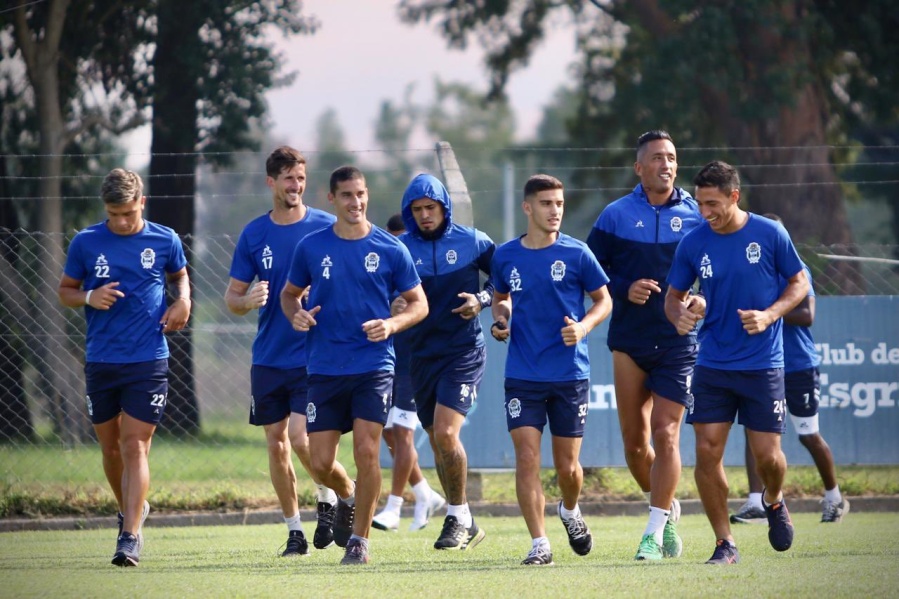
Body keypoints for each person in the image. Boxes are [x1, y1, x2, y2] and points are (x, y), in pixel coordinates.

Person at [280, 166, 428, 565]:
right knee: (322, 460)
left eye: (361, 194)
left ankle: (360, 541)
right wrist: (296, 314)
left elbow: (420, 303)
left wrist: (392, 324)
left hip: (373, 366)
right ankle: (346, 493)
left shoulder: (390, 248)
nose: (356, 202)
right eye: (347, 195)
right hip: (325, 367)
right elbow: (289, 295)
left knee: (367, 450)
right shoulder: (311, 247)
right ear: (332, 199)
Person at [665, 160, 810, 565]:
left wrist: (769, 315)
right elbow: (673, 297)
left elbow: (799, 282)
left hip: (763, 363)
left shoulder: (769, 233)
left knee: (767, 457)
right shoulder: (693, 243)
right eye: (699, 203)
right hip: (712, 364)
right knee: (707, 453)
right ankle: (724, 543)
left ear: (734, 196)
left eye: (712, 203)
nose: (704, 212)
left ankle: (774, 499)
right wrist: (680, 315)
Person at [58, 168, 191, 567]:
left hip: (148, 359)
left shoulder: (164, 239)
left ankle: (129, 536)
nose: (120, 222)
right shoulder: (86, 242)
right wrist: (88, 296)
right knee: (111, 448)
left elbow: (180, 277)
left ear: (142, 204)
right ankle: (131, 509)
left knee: (135, 445)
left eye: (128, 214)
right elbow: (65, 291)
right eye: (113, 214)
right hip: (101, 360)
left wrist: (182, 300)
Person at [586, 130, 704, 561]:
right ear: (639, 167)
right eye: (656, 158)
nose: (666, 165)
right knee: (636, 447)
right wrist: (622, 287)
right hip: (629, 342)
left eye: (671, 157)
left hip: (678, 340)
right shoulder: (615, 215)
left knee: (667, 434)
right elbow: (589, 271)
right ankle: (667, 508)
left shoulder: (697, 214)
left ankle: (653, 533)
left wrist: (700, 298)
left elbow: (711, 269)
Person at [490, 174, 612, 566]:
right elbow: (500, 297)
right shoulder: (506, 255)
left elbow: (603, 300)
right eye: (546, 204)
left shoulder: (578, 254)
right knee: (527, 457)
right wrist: (502, 318)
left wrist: (583, 326)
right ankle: (539, 543)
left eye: (559, 203)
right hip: (523, 374)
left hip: (569, 375)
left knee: (568, 468)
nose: (555, 210)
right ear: (528, 208)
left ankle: (570, 510)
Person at [224, 146, 338, 556]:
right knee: (276, 442)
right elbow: (232, 299)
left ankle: (327, 495)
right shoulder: (255, 234)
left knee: (300, 437)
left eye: (301, 179)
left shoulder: (327, 226)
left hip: (315, 355)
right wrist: (248, 298)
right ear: (271, 182)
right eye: (288, 179)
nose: (296, 186)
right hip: (269, 355)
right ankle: (294, 531)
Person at [397, 173, 495, 551]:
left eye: (431, 208)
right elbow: (385, 289)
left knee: (446, 433)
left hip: (464, 352)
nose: (425, 215)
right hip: (420, 356)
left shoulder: (473, 241)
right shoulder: (400, 248)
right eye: (417, 209)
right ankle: (466, 520)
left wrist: (483, 301)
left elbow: (504, 278)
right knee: (439, 444)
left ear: (444, 208)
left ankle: (456, 517)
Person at [730, 213, 848, 525]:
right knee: (753, 432)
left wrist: (768, 314)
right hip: (763, 363)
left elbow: (807, 314)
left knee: (808, 435)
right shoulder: (748, 270)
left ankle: (834, 497)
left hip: (797, 365)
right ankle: (756, 502)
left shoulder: (795, 270)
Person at [371, 213, 446, 532]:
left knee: (402, 434)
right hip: (388, 359)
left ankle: (394, 505)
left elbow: (427, 306)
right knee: (388, 433)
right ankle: (424, 493)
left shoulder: (428, 267)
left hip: (416, 362)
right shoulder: (385, 265)